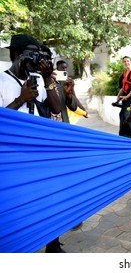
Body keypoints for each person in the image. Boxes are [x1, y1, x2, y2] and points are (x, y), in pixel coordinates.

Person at [0, 34, 63, 252]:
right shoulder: (1, 80)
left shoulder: (37, 77)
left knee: (49, 196)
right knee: (20, 202)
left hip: (40, 151)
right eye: (32, 53)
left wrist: (47, 80)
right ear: (17, 54)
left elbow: (56, 108)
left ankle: (53, 244)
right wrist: (20, 100)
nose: (37, 58)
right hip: (12, 154)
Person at [116, 56, 131, 138]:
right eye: (125, 61)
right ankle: (123, 137)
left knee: (129, 117)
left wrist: (127, 96)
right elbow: (123, 87)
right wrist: (118, 97)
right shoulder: (124, 74)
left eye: (128, 61)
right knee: (122, 115)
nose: (126, 63)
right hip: (125, 99)